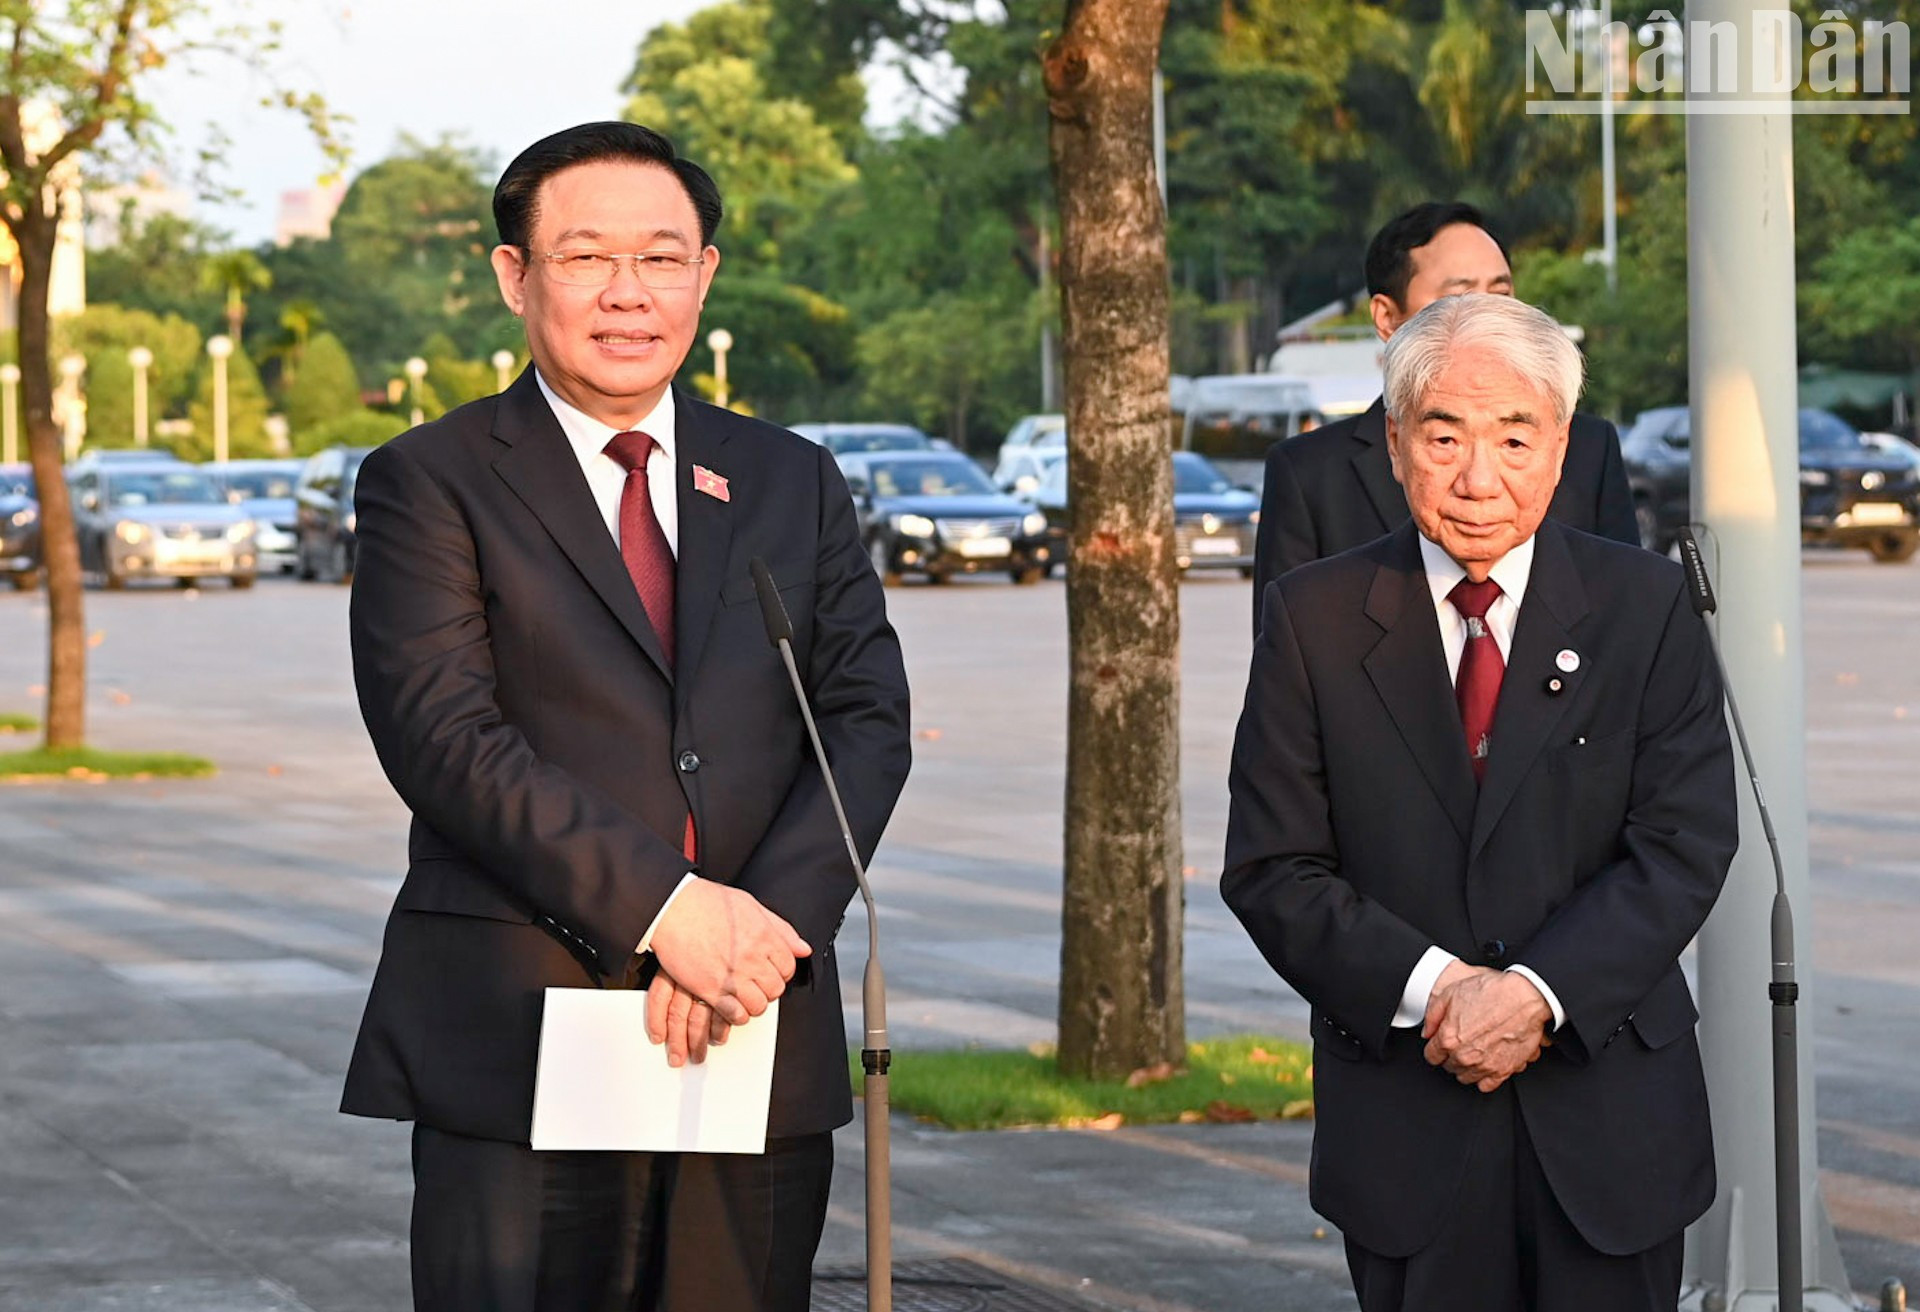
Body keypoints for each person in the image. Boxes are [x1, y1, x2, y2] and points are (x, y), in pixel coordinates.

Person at [339, 121, 912, 1312]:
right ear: (515, 276)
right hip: (523, 1024)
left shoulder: (790, 477)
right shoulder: (430, 479)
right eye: (587, 257)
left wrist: (753, 934)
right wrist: (669, 910)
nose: (628, 293)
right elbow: (445, 739)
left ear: (705, 275)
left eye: (660, 258)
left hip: (749, 1017)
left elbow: (863, 717)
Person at [1223, 293, 1736, 1312]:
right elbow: (1274, 866)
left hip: (1609, 1119)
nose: (1478, 478)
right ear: (1395, 442)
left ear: (1560, 446)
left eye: (1514, 437)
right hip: (1408, 1124)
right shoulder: (1315, 618)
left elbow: (1682, 843)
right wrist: (1442, 991)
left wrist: (1535, 992)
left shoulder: (1646, 606)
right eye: (1445, 435)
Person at [1252, 202, 1640, 631]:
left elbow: (1624, 614)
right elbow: (1289, 643)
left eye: (1501, 295)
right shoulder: (1309, 472)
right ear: (1386, 317)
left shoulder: (1587, 448)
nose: (1484, 314)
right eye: (1458, 297)